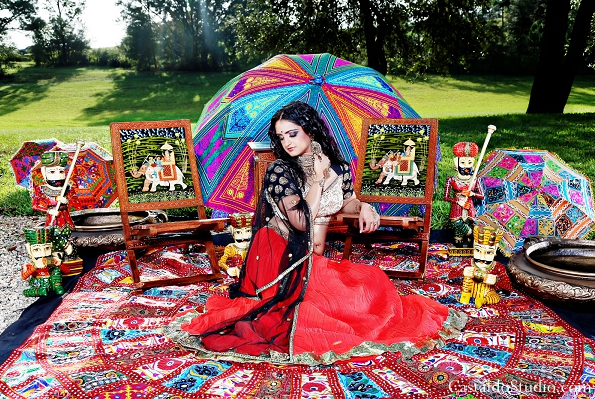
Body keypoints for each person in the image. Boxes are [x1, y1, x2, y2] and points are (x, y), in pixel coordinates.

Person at [168, 101, 467, 365]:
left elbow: (346, 199)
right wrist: (317, 179)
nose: (286, 142)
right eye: (281, 136)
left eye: (293, 133)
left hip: (315, 258)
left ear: (310, 130)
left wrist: (363, 206)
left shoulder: (339, 167)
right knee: (324, 313)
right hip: (280, 258)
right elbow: (300, 221)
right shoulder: (280, 171)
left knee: (372, 282)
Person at [444, 142, 485, 247]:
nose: (466, 166)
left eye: (469, 162)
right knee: (455, 223)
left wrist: (472, 193)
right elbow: (446, 197)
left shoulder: (474, 180)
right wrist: (458, 201)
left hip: (469, 206)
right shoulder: (451, 180)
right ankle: (472, 235)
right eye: (463, 162)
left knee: (463, 229)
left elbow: (482, 196)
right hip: (457, 206)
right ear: (456, 163)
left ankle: (463, 243)